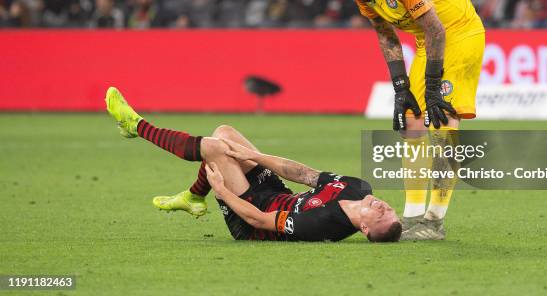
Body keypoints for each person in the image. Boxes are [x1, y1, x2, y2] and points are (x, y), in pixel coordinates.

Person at [105, 87, 401, 242]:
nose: (384, 206)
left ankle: (136, 126)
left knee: (213, 148)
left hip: (249, 215)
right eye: (389, 209)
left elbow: (259, 221)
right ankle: (194, 196)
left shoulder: (325, 226)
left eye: (381, 215)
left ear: (364, 227)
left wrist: (223, 191)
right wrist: (254, 157)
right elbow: (302, 173)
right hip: (276, 192)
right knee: (225, 134)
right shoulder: (359, 187)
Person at [332, 0, 485, 240]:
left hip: (459, 34)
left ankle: (434, 221)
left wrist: (431, 87)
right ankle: (414, 216)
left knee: (441, 122)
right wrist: (400, 87)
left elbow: (437, 29)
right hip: (429, 42)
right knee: (411, 123)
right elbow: (385, 34)